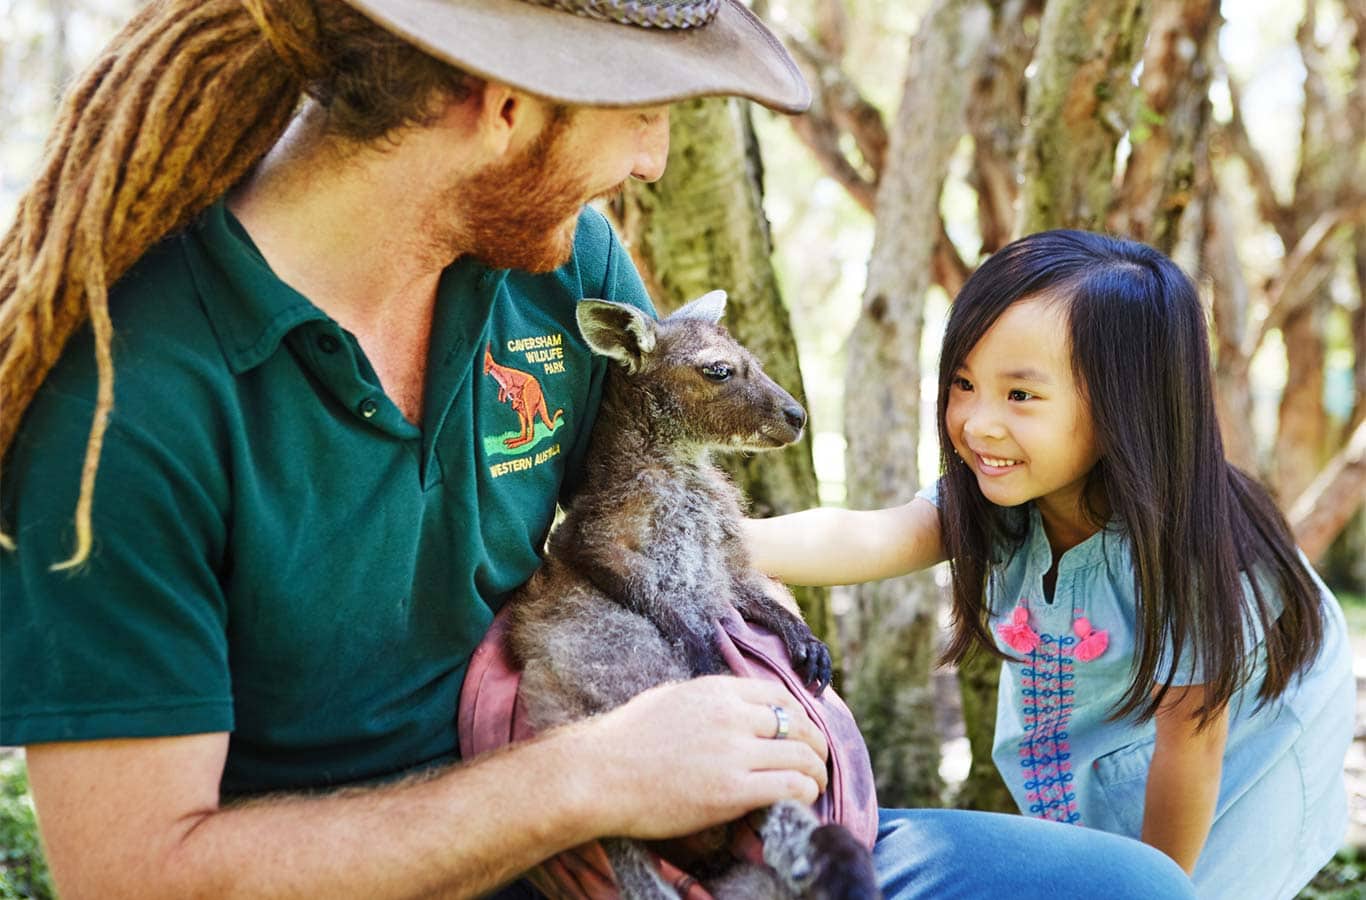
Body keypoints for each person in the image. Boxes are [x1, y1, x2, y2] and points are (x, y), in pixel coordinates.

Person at [0, 1, 1198, 897]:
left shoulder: (555, 268)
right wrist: (588, 780)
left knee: (1130, 889)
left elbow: (657, 520)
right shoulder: (130, 403)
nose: (655, 161)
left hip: (639, 823)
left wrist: (752, 696)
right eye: (644, 113)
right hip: (409, 865)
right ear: (506, 103)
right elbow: (140, 876)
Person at [745, 229, 1355, 899]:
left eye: (1021, 396)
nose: (978, 423)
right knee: (1089, 850)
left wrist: (1154, 889)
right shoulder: (1003, 500)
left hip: (1247, 750)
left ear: (1126, 404)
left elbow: (1193, 748)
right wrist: (711, 542)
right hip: (1111, 734)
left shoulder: (1193, 547)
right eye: (963, 383)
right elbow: (867, 538)